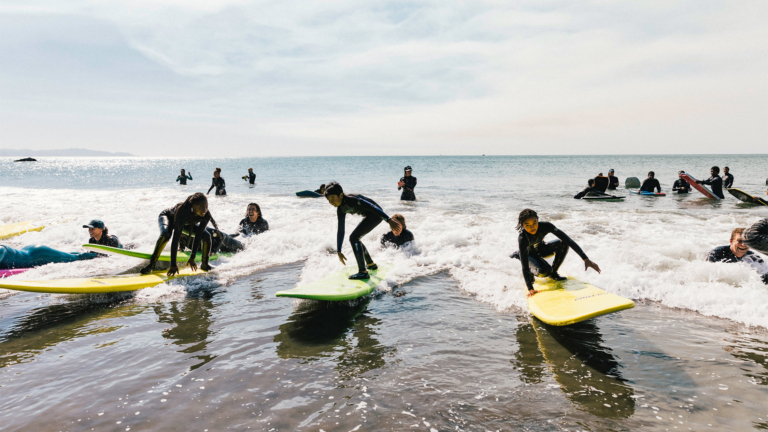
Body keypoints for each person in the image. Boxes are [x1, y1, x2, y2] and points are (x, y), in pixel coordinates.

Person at [510, 209, 601, 297]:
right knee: (545, 271)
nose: (532, 227)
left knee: (563, 244)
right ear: (522, 225)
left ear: (538, 220)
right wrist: (530, 288)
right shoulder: (523, 238)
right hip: (529, 255)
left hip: (541, 250)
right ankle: (524, 262)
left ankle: (554, 274)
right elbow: (524, 265)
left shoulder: (546, 226)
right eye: (527, 225)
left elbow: (568, 240)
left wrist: (586, 259)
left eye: (534, 223)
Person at [324, 182, 402, 280]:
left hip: (376, 214)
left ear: (340, 195)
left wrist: (389, 220)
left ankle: (363, 272)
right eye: (328, 200)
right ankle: (371, 264)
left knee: (354, 238)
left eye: (332, 198)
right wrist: (339, 250)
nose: (331, 202)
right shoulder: (340, 209)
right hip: (369, 216)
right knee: (356, 238)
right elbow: (341, 230)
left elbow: (373, 207)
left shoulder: (352, 200)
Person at [141, 192, 219, 276]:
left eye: (206, 207)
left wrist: (192, 258)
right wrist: (173, 265)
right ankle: (151, 265)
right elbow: (175, 240)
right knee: (166, 235)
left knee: (206, 236)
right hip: (168, 217)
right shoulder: (183, 212)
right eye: (201, 207)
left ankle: (205, 265)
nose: (204, 210)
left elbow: (198, 235)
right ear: (193, 207)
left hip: (185, 223)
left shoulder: (205, 214)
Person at [1, 245, 97, 270]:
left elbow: (2, 252)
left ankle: (99, 256)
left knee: (75, 258)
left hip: (38, 255)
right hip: (28, 251)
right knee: (67, 255)